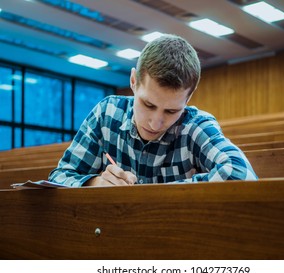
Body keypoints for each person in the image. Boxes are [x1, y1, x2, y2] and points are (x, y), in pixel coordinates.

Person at [49, 34, 257, 187]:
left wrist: (151, 194)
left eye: (171, 111)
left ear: (189, 98)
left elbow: (243, 174)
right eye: (148, 105)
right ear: (133, 81)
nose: (155, 123)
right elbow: (59, 177)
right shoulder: (107, 113)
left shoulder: (196, 126)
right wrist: (95, 183)